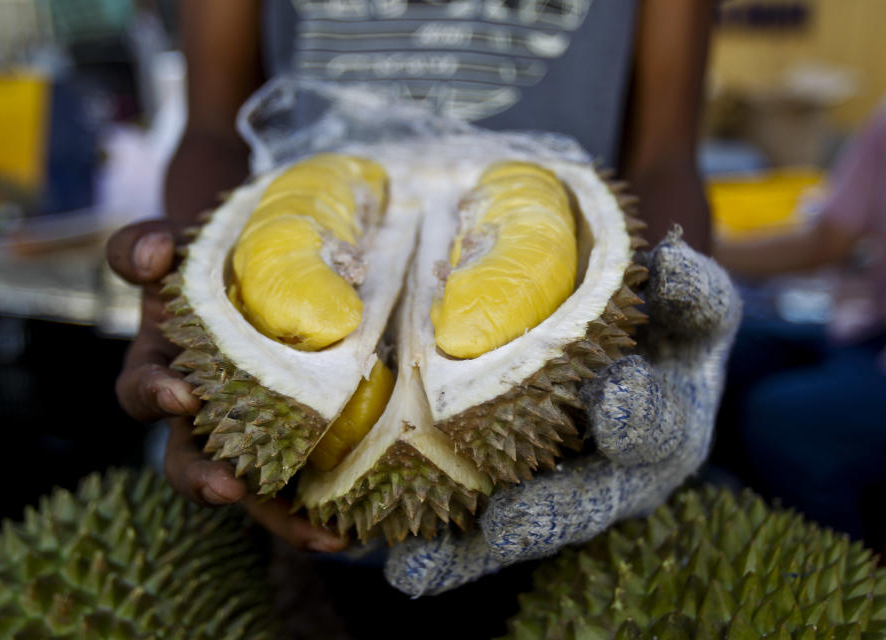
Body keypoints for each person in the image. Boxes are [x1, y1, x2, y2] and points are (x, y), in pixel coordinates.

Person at [106, 0, 715, 556]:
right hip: (293, 495)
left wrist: (674, 347)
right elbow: (214, 126)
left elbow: (666, 154)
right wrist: (192, 296)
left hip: (566, 436)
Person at [713, 102, 886, 549]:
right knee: (718, 355)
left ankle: (851, 583)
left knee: (785, 418)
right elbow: (827, 240)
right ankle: (738, 533)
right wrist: (698, 247)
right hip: (863, 329)